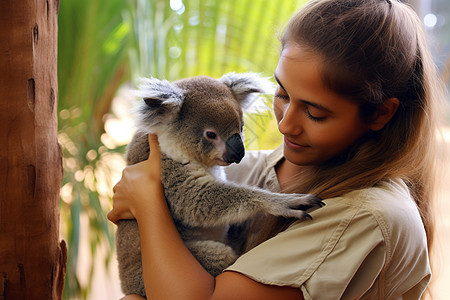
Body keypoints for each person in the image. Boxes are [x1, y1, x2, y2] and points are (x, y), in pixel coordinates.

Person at [107, 0, 447, 299]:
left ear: (380, 113)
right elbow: (142, 191)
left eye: (315, 113)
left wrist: (148, 201)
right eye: (282, 94)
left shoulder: (367, 217)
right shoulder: (265, 168)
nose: (285, 125)